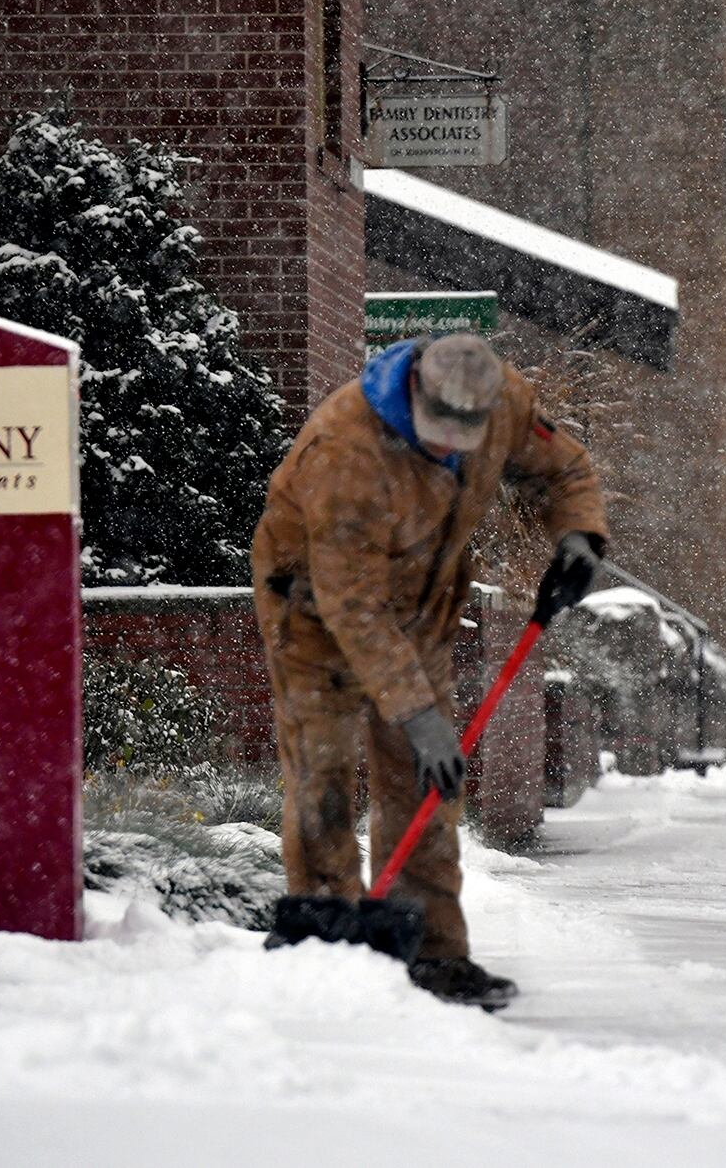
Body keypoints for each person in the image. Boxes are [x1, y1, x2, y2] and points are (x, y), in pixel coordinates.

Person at [251, 333, 609, 1008]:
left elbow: (564, 470)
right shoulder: (345, 449)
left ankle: (435, 953)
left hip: (423, 606)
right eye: (436, 435)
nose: (448, 449)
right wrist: (416, 713)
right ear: (415, 391)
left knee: (426, 785)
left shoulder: (501, 403)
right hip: (311, 611)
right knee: (323, 772)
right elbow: (351, 604)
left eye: (462, 440)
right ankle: (325, 949)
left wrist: (579, 537)